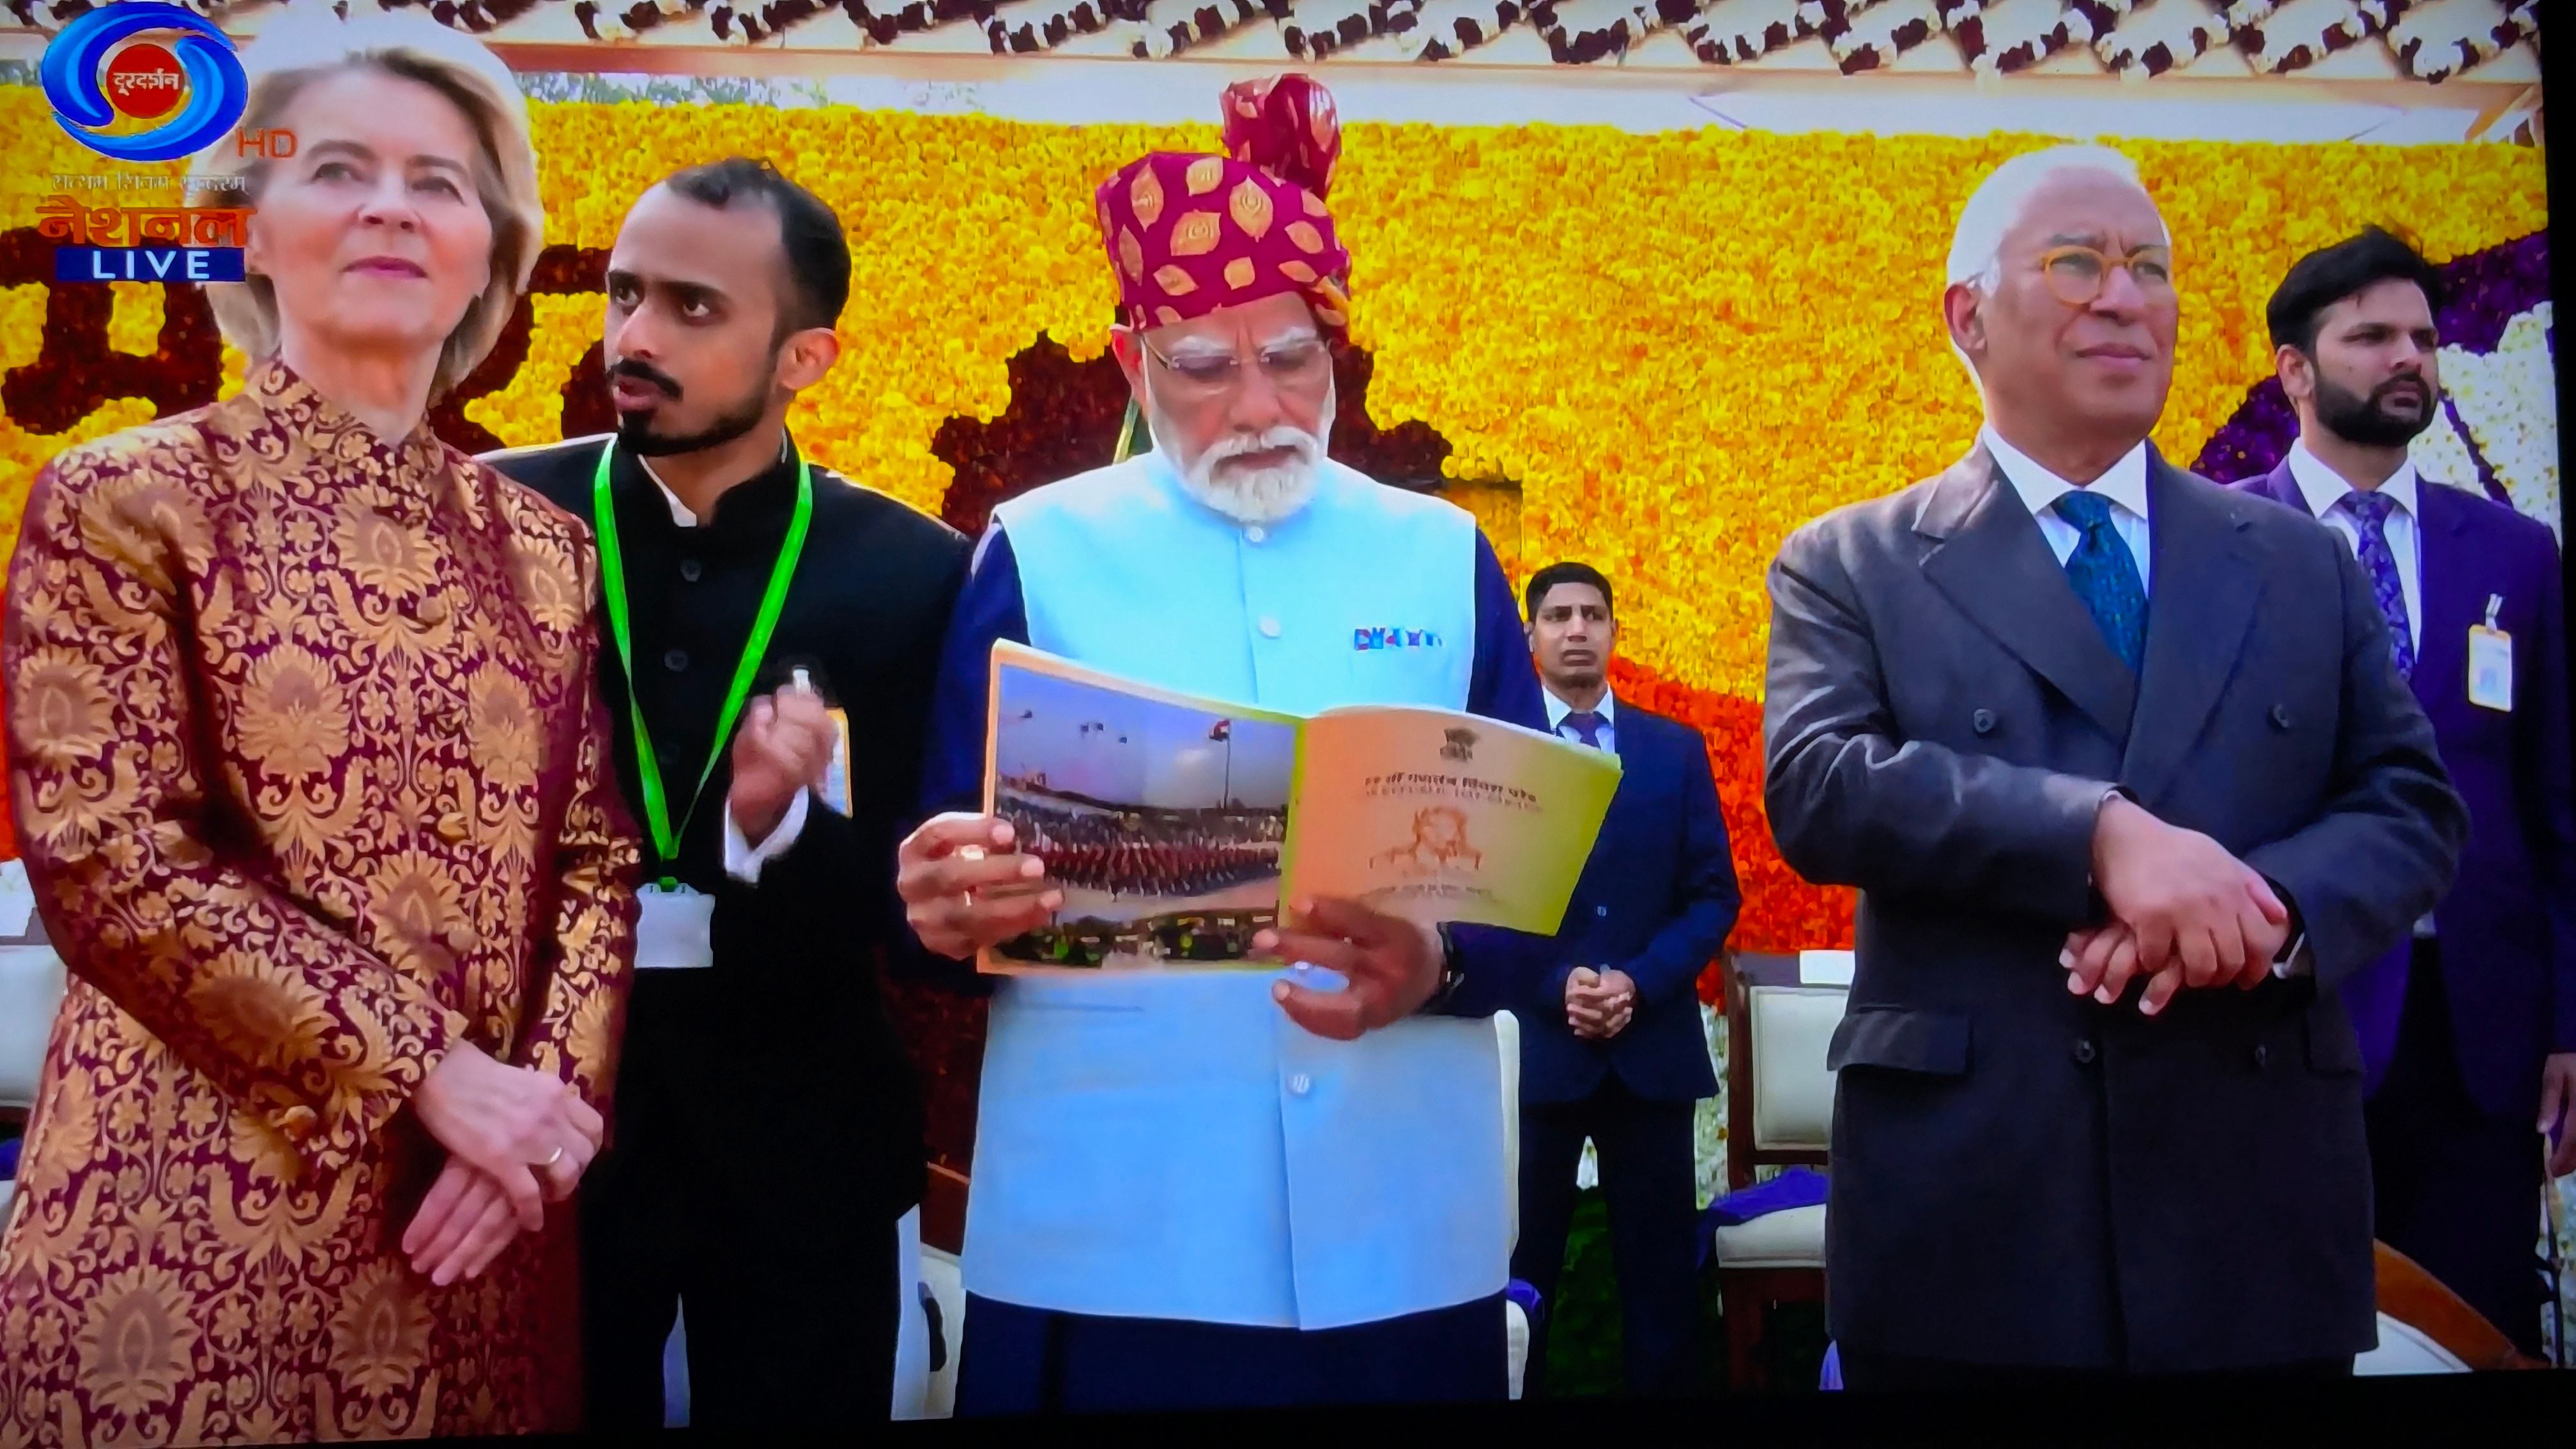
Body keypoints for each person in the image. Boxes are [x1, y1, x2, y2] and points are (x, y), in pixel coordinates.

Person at [0, 13, 637, 1444]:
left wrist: (544, 1114)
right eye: (339, 169)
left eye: (440, 182)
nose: (392, 208)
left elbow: (593, 863)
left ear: (491, 250)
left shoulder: (545, 552)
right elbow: (109, 854)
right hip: (185, 1226)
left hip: (476, 1234)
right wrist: (432, 1072)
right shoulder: (130, 498)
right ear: (248, 227)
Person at [894, 73, 1552, 1413]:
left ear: (1336, 348)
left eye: (1293, 357)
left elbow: (1541, 879)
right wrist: (942, 905)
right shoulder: (1041, 550)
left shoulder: (1440, 556)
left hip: (1395, 1229)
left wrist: (1440, 962)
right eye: (1204, 366)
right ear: (1134, 361)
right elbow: (942, 892)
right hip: (1112, 1226)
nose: (1257, 404)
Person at [1761, 144, 2467, 1387]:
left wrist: (2262, 910)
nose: (2126, 298)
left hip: (2249, 1198)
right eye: (2078, 264)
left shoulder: (2298, 562)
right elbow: (1820, 783)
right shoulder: (1854, 562)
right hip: (1976, 1211)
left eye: (2151, 267)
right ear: (1967, 317)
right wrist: (2098, 837)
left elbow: (2411, 805)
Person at [483, 160, 970, 1429]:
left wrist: (775, 821)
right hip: (533, 1138)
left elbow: (926, 901)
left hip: (808, 1143)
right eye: (623, 294)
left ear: (807, 356)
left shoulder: (915, 572)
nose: (634, 337)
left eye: (692, 307)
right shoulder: (492, 521)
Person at [2235, 227, 2575, 1355]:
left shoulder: (2517, 556)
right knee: (2292, 1327)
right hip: (2290, 1006)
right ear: (2295, 370)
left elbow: (2555, 805)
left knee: (2477, 1329)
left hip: (2481, 1030)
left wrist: (2569, 1025)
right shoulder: (2216, 544)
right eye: (2372, 336)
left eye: (2423, 339)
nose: (2408, 360)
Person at [1509, 561, 1739, 1398]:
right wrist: (1555, 984)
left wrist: (1638, 983)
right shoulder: (1498, 753)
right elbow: (1478, 895)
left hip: (1651, 1052)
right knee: (1520, 1284)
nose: (1577, 629)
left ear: (1614, 632)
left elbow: (1714, 896)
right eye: (1558, 616)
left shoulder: (1673, 751)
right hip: (1537, 1054)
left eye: (1593, 615)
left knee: (1663, 1293)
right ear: (1531, 637)